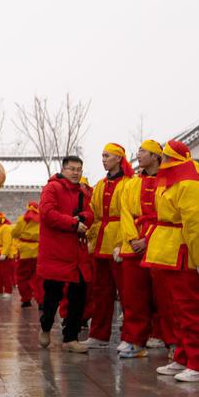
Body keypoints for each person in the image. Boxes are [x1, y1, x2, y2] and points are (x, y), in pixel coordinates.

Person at [148, 140, 199, 381]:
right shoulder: (174, 180)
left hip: (186, 254)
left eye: (164, 157)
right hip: (170, 251)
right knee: (177, 310)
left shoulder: (189, 182)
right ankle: (184, 358)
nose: (161, 161)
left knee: (191, 310)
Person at [116, 140, 168, 359]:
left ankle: (171, 343)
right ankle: (135, 341)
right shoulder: (132, 183)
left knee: (164, 297)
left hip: (160, 241)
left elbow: (166, 216)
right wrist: (131, 239)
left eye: (143, 151)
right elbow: (125, 212)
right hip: (134, 242)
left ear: (155, 156)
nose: (138, 155)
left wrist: (147, 240)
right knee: (133, 295)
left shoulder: (167, 181)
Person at [36, 155, 93, 353]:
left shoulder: (83, 192)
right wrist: (73, 223)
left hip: (77, 253)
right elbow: (47, 214)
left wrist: (85, 217)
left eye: (79, 169)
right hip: (56, 252)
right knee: (52, 296)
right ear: (63, 169)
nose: (76, 173)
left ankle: (71, 337)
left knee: (78, 297)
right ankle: (45, 327)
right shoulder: (52, 188)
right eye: (72, 169)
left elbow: (90, 213)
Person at [83, 143, 134, 349]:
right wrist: (91, 237)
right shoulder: (100, 184)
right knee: (101, 291)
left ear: (119, 159)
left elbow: (130, 216)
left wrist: (123, 243)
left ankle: (130, 337)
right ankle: (99, 334)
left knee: (126, 292)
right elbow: (94, 214)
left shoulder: (130, 183)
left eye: (107, 156)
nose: (103, 159)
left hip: (120, 239)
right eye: (102, 155)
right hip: (102, 242)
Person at [12, 201, 41, 308]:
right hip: (38, 251)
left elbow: (14, 233)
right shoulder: (41, 219)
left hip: (25, 252)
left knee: (22, 276)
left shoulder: (22, 219)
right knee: (38, 278)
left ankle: (26, 299)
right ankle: (41, 300)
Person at [0, 216, 15, 298]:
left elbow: (7, 241)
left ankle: (8, 291)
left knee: (6, 273)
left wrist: (4, 253)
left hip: (3, 253)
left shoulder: (5, 227)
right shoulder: (0, 227)